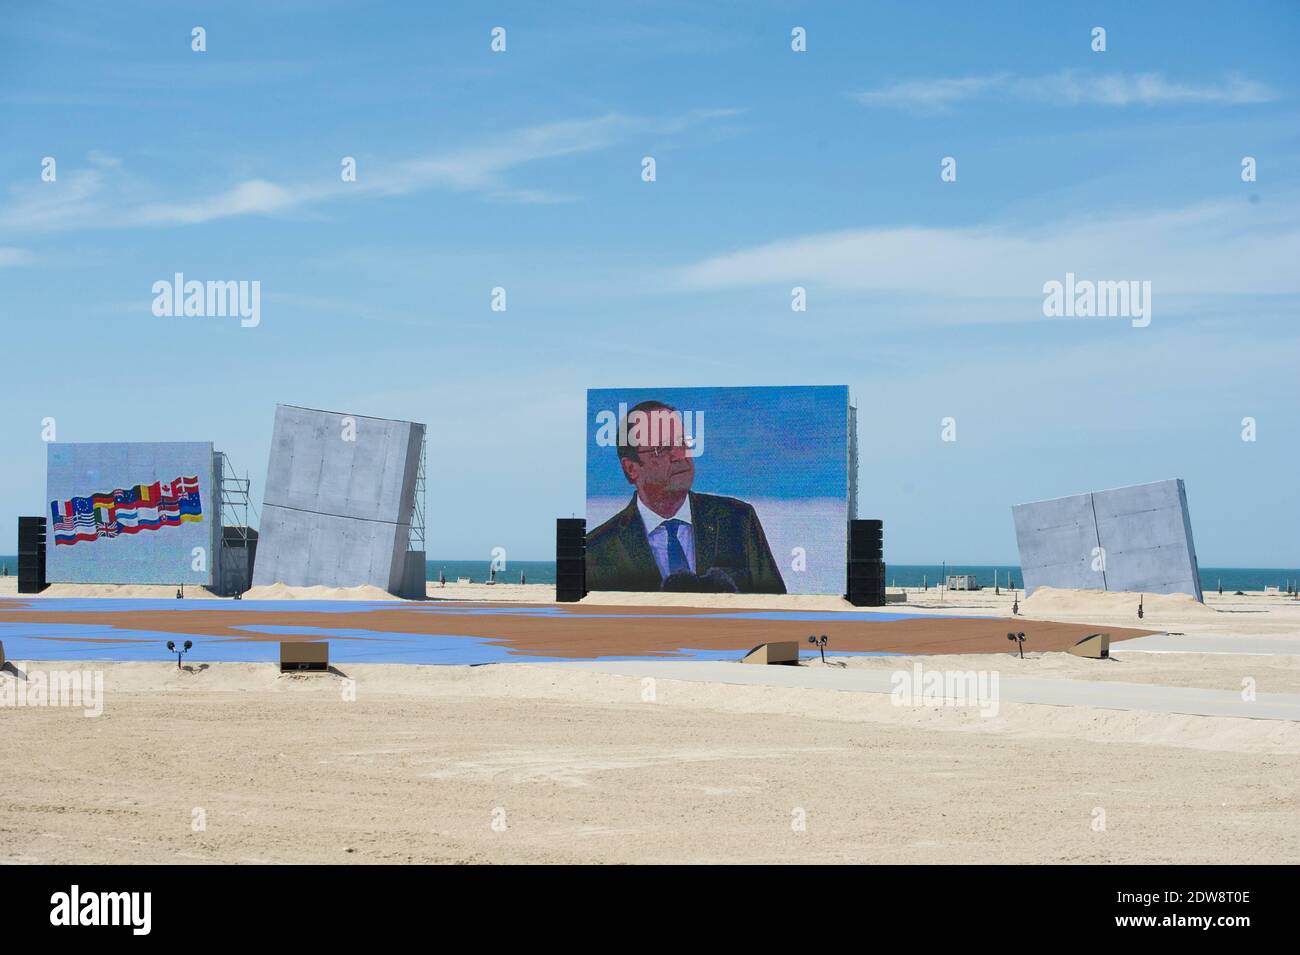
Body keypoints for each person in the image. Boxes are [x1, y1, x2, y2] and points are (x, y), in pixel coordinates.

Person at [587, 400, 785, 593]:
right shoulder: (596, 550)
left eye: (682, 442)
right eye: (662, 449)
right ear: (631, 468)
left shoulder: (738, 520)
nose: (680, 455)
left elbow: (778, 613)